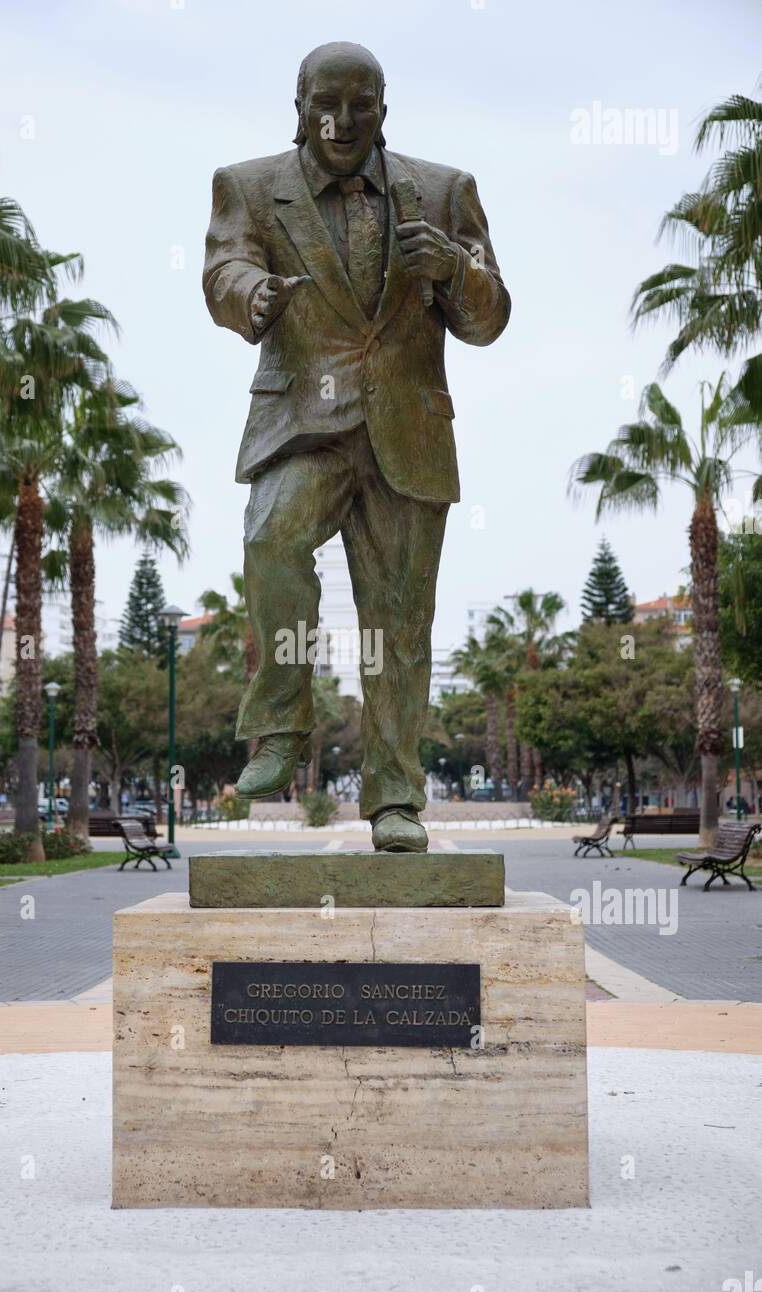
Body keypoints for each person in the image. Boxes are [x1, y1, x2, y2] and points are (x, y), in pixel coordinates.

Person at [203, 42, 510, 850]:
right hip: (302, 422)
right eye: (323, 105)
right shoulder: (249, 187)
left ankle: (396, 800)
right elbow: (223, 272)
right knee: (270, 536)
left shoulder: (445, 192)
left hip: (407, 432)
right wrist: (253, 296)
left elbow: (489, 318)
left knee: (401, 624)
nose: (341, 122)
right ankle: (279, 726)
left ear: (384, 106)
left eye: (359, 106)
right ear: (298, 106)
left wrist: (452, 270)